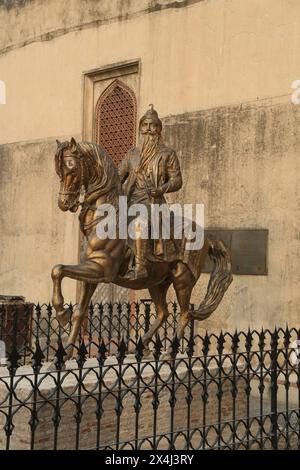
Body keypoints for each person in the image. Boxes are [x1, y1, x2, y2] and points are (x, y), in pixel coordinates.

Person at [118, 105, 182, 280]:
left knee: (139, 221)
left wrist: (160, 189)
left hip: (152, 202)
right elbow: (118, 178)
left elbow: (177, 181)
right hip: (130, 199)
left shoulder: (167, 154)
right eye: (145, 125)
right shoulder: (132, 154)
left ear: (159, 129)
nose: (148, 129)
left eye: (153, 125)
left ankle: (140, 267)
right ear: (140, 129)